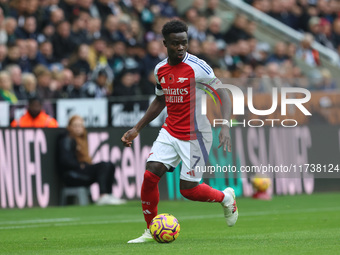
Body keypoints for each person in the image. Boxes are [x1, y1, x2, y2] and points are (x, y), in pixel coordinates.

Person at [121, 20, 238, 244]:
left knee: (189, 190)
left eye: (184, 42)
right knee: (150, 174)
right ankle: (151, 229)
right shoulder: (160, 69)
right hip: (170, 131)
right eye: (175, 44)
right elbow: (160, 99)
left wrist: (225, 125)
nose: (181, 47)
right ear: (165, 43)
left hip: (197, 136)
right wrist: (137, 128)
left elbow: (222, 94)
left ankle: (226, 197)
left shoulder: (198, 67)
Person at [58, 115, 126, 206]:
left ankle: (108, 194)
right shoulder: (66, 139)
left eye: (80, 126)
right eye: (75, 126)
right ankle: (103, 195)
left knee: (109, 165)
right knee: (103, 166)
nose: (78, 128)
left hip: (80, 170)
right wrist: (79, 165)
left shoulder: (82, 139)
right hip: (72, 175)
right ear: (69, 127)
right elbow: (65, 160)